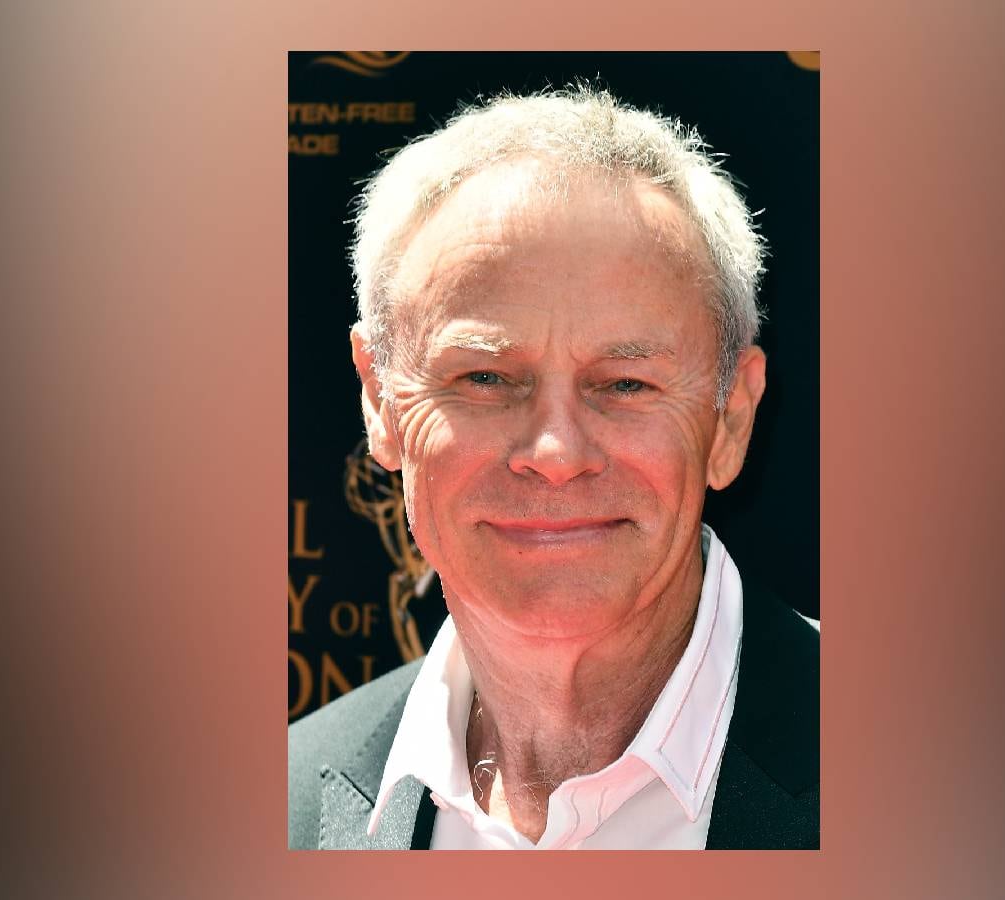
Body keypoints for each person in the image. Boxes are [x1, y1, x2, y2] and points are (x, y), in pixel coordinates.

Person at [288, 86, 818, 850]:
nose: (556, 455)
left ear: (730, 417)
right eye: (486, 379)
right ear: (381, 400)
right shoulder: (285, 804)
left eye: (625, 384)